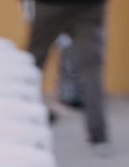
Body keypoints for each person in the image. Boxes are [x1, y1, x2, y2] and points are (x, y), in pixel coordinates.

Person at [27, 1, 109, 147]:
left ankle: (23, 122)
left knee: (32, 64)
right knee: (91, 70)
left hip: (50, 7)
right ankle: (99, 136)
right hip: (88, 8)